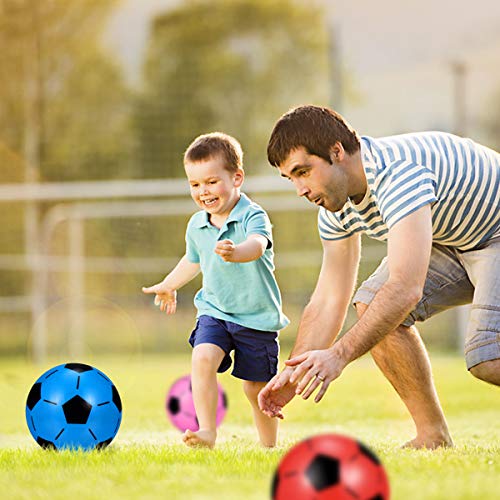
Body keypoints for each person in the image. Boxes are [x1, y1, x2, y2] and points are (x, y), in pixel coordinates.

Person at [258, 104, 500, 449]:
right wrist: (294, 373)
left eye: (303, 171)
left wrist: (339, 355)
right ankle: (433, 437)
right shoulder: (334, 206)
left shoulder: (397, 174)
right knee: (372, 305)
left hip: (496, 232)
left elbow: (405, 289)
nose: (301, 189)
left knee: (488, 358)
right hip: (458, 239)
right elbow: (328, 299)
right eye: (291, 178)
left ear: (336, 152)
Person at [143, 132, 289, 448]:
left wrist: (237, 252)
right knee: (203, 357)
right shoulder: (197, 224)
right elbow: (192, 259)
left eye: (211, 182)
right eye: (195, 185)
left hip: (256, 317)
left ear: (237, 178)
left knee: (256, 388)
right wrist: (169, 284)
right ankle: (207, 431)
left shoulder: (253, 215)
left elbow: (258, 245)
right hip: (215, 310)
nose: (203, 191)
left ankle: (268, 446)